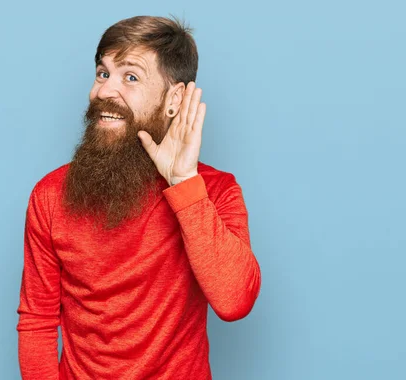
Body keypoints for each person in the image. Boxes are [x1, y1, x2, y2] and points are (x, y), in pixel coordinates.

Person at [16, 15, 262, 380]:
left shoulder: (214, 190)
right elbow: (37, 322)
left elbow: (234, 301)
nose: (103, 92)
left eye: (130, 77)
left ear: (174, 99)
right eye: (103, 73)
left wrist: (184, 183)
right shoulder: (50, 195)